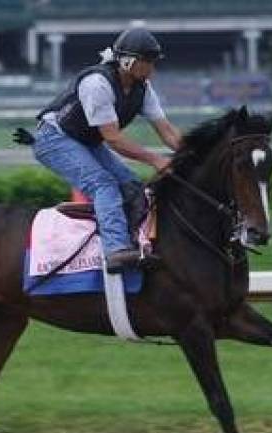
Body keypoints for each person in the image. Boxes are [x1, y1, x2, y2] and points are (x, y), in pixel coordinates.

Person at [31, 27, 183, 273]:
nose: (153, 69)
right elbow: (113, 139)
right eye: (148, 62)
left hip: (84, 141)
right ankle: (115, 251)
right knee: (104, 185)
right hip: (53, 139)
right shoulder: (97, 84)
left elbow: (166, 130)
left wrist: (192, 155)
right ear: (128, 62)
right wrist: (155, 159)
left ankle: (136, 243)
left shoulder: (143, 88)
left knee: (132, 186)